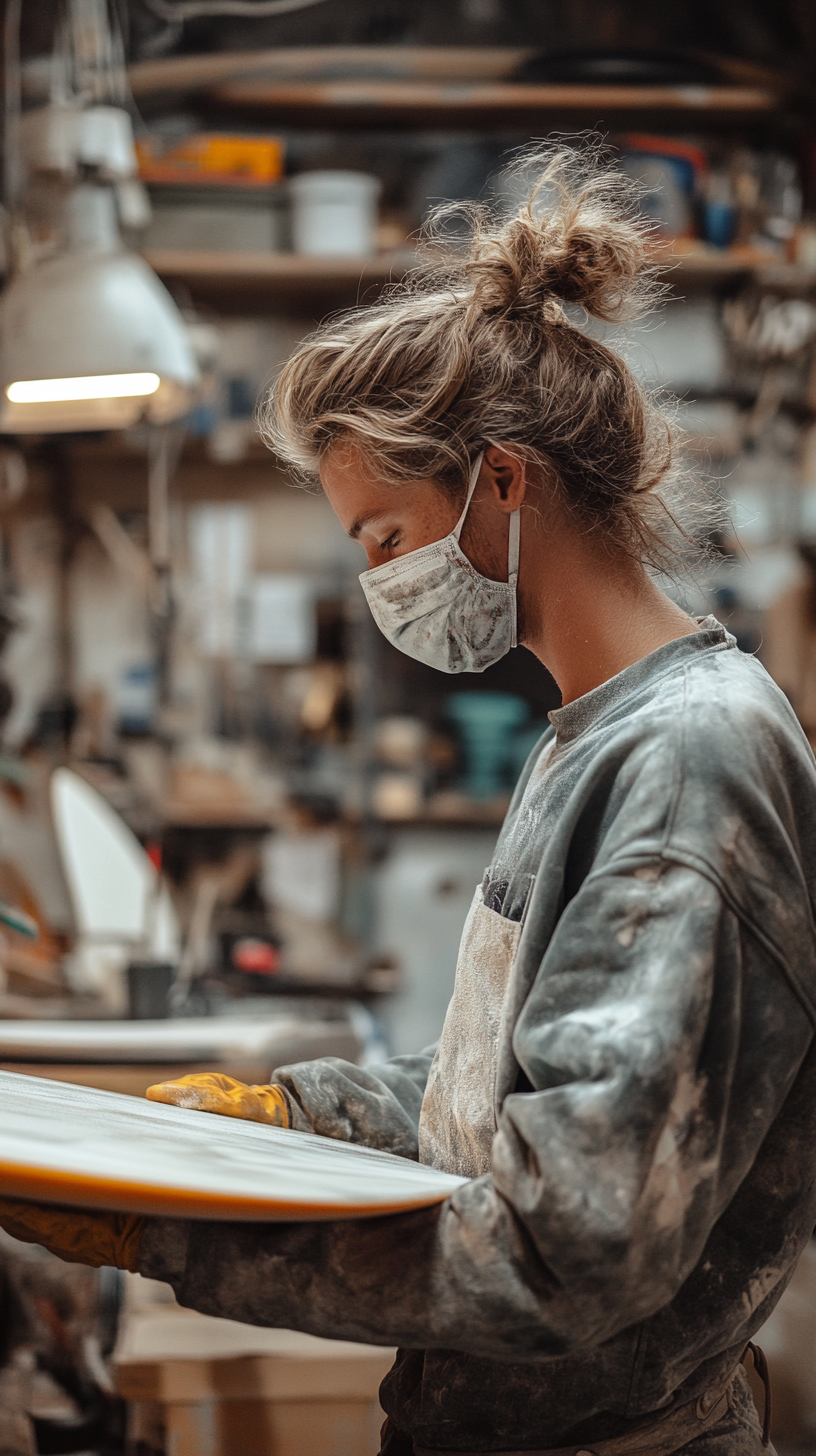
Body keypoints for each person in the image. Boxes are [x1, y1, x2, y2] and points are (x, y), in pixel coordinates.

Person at [2, 145, 816, 1456]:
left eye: (385, 540)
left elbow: (567, 1246)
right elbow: (512, 1093)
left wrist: (178, 1231)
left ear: (502, 481)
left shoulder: (691, 763)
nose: (384, 590)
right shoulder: (592, 735)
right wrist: (296, 1112)